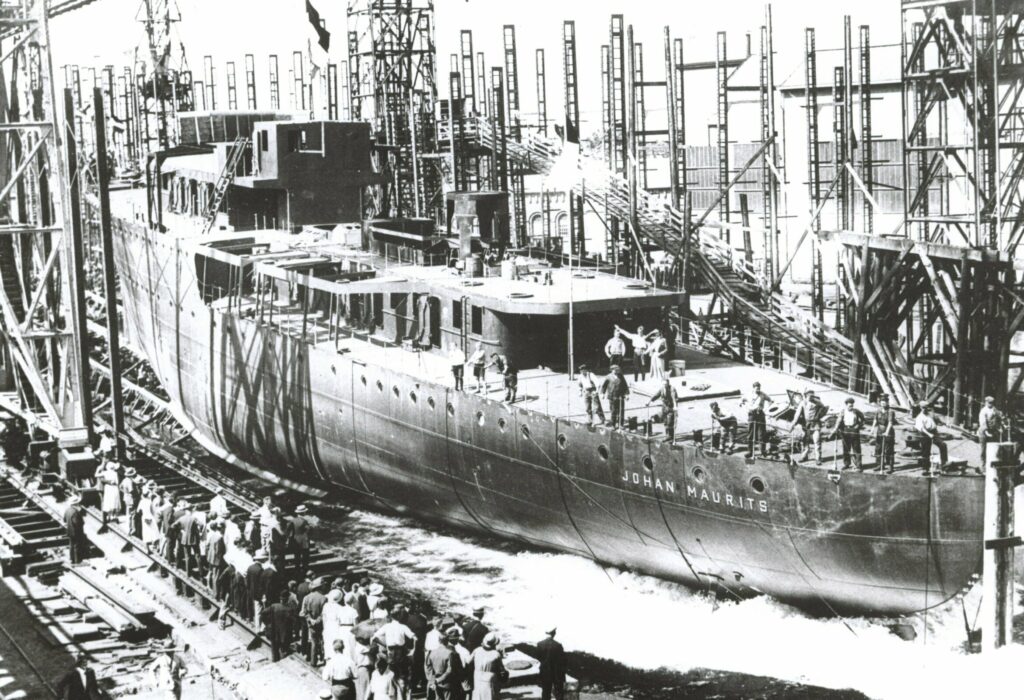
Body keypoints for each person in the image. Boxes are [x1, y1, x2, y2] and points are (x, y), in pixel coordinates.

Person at [372, 605, 417, 699]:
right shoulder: (403, 627)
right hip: (401, 652)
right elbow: (415, 638)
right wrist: (413, 650)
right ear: (399, 616)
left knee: (391, 675)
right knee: (402, 677)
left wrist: (383, 644)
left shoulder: (386, 626)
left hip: (391, 652)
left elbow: (374, 637)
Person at [789, 390, 827, 465]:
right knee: (805, 442)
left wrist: (819, 416)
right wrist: (793, 424)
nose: (811, 397)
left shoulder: (817, 402)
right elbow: (797, 414)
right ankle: (804, 456)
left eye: (812, 396)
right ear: (806, 395)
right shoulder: (803, 403)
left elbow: (824, 409)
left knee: (817, 441)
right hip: (806, 424)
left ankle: (818, 458)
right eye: (810, 396)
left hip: (816, 424)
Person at [426, 627, 464, 700]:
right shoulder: (450, 653)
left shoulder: (432, 652)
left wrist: (433, 680)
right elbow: (449, 670)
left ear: (439, 641)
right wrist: (439, 680)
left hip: (436, 683)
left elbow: (428, 668)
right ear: (447, 641)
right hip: (447, 683)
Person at [830, 398, 865, 470]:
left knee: (856, 449)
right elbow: (838, 421)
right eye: (849, 405)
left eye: (852, 405)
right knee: (846, 448)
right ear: (846, 405)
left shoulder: (856, 411)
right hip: (845, 431)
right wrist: (835, 429)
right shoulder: (843, 412)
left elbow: (863, 420)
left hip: (854, 431)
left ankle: (858, 465)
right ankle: (847, 464)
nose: (851, 406)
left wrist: (859, 425)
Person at [469, 633, 507, 700]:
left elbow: (469, 661)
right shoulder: (496, 654)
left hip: (477, 676)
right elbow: (501, 669)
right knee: (489, 695)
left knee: (478, 695)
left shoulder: (477, 650)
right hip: (489, 678)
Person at [263, 589, 297, 662]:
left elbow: (263, 613)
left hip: (273, 632)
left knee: (274, 651)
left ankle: (275, 662)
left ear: (280, 598)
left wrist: (267, 623)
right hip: (284, 636)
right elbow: (294, 622)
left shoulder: (274, 606)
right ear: (287, 599)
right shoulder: (289, 609)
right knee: (284, 652)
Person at [740, 382, 773, 457]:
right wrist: (744, 406)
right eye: (757, 388)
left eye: (759, 388)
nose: (758, 390)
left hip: (760, 415)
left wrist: (769, 406)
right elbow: (741, 400)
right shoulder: (748, 394)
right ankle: (750, 451)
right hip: (752, 415)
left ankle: (763, 451)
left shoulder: (763, 394)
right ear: (753, 388)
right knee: (751, 433)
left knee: (761, 434)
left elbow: (770, 400)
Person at [915, 402, 947, 474]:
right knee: (926, 452)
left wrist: (944, 423)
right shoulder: (919, 417)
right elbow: (922, 428)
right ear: (920, 408)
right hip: (925, 434)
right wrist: (929, 434)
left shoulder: (930, 414)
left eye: (926, 407)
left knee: (943, 445)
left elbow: (937, 420)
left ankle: (944, 466)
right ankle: (925, 469)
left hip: (934, 432)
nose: (925, 409)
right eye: (923, 408)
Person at [302, 578, 328, 665]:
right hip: (320, 624)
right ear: (320, 587)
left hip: (310, 624)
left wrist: (310, 620)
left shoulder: (306, 597)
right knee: (322, 640)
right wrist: (317, 621)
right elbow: (323, 613)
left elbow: (304, 612)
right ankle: (322, 658)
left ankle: (313, 661)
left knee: (313, 641)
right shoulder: (323, 598)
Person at [535, 627, 567, 700]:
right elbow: (563, 660)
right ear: (553, 633)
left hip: (545, 672)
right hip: (557, 673)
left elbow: (538, 657)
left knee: (545, 692)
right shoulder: (558, 645)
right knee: (558, 693)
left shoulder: (540, 644)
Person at [873, 395, 897, 473]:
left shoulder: (890, 411)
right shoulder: (878, 410)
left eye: (885, 402)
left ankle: (890, 466)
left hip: (888, 431)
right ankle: (880, 464)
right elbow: (875, 420)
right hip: (879, 430)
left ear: (887, 403)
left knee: (889, 449)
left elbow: (890, 422)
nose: (883, 404)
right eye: (882, 402)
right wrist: (872, 428)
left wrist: (887, 432)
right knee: (878, 448)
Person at [977, 395, 1003, 465]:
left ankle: (991, 462)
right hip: (984, 431)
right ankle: (983, 463)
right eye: (989, 403)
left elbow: (999, 416)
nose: (990, 404)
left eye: (992, 403)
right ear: (986, 402)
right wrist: (986, 432)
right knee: (984, 448)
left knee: (993, 446)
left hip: (993, 431)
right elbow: (983, 422)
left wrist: (1000, 427)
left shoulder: (994, 409)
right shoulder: (983, 411)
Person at [64, 493, 88, 565]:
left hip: (69, 531)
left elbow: (64, 519)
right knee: (77, 546)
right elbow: (76, 523)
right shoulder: (75, 512)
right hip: (76, 531)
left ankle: (71, 559)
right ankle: (78, 561)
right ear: (75, 504)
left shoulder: (67, 510)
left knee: (71, 545)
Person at [99, 460, 121, 529]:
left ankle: (109, 516)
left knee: (108, 502)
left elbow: (97, 475)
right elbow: (117, 482)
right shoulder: (115, 473)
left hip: (108, 488)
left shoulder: (105, 473)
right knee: (115, 502)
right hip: (114, 488)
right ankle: (114, 517)